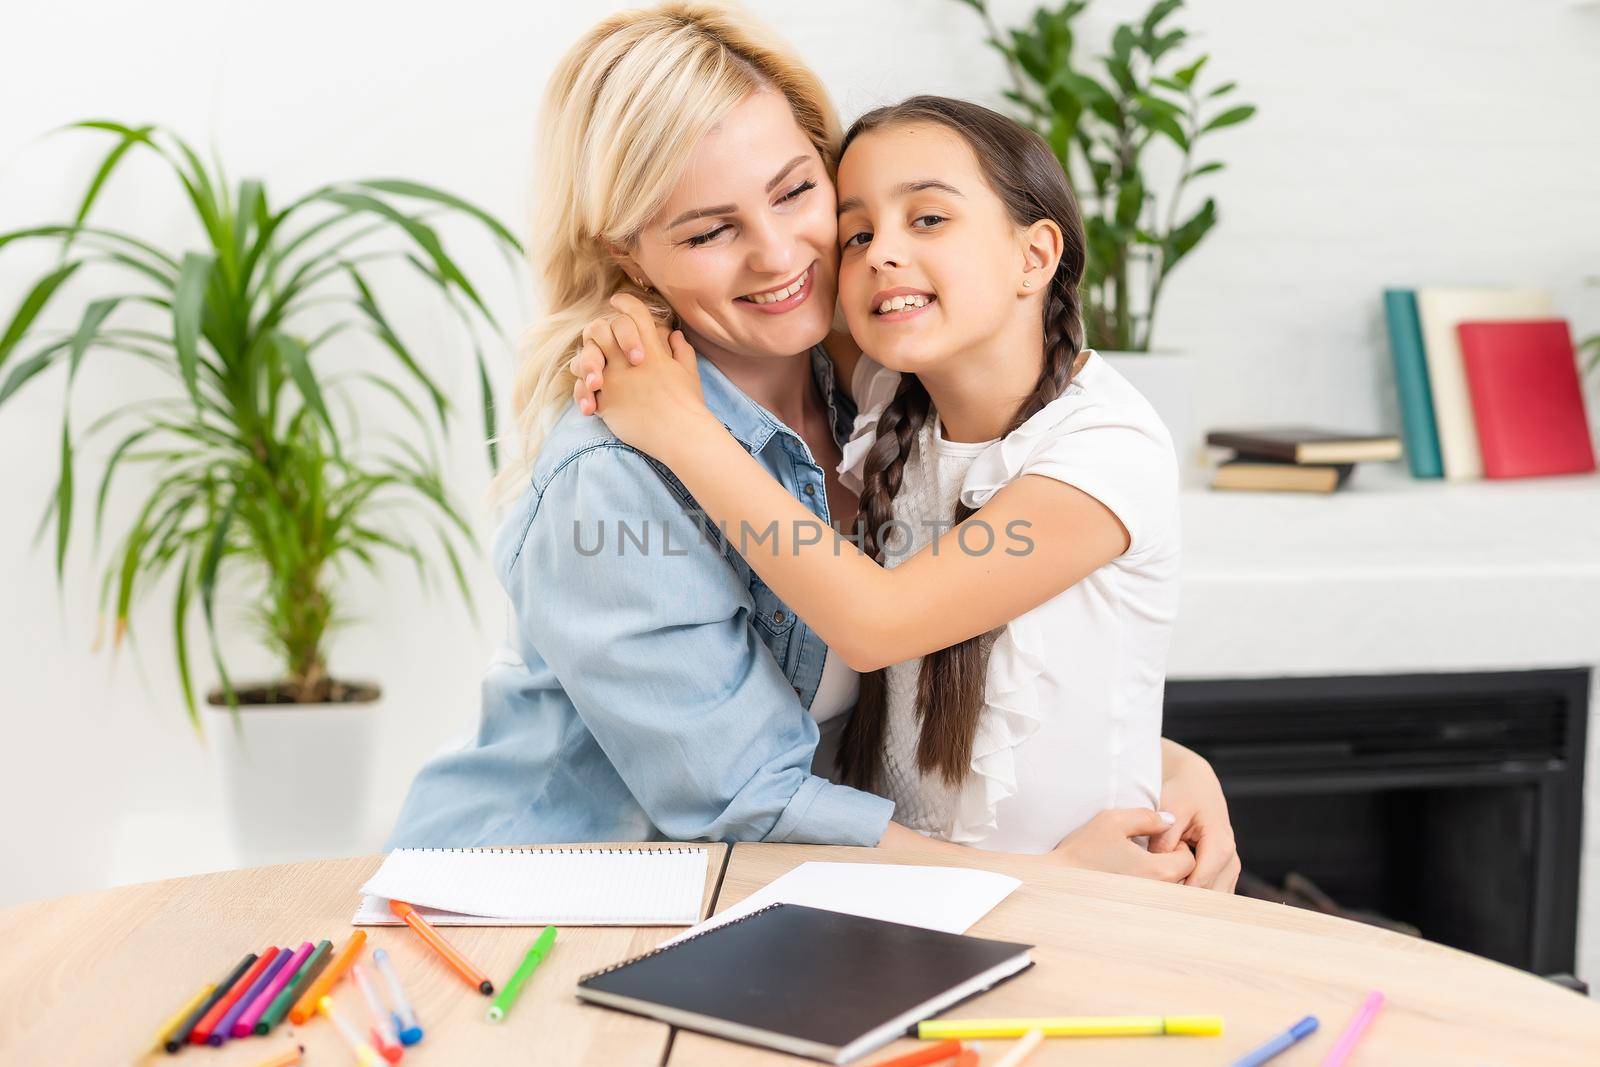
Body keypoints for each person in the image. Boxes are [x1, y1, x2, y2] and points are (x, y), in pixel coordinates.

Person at [389, 2, 1239, 890]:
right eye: (709, 231)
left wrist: (1162, 762)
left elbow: (938, 654)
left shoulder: (876, 390)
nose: (776, 256)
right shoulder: (613, 472)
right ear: (630, 255)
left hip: (765, 909)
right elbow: (752, 799)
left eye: (796, 192)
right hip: (532, 903)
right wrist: (1047, 882)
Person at [583, 93, 1179, 861]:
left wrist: (678, 429)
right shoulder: (890, 394)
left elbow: (876, 623)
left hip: (1087, 895)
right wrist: (628, 321)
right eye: (857, 232)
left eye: (928, 218)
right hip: (918, 890)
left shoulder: (1105, 447)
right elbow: (756, 307)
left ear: (1034, 255)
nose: (880, 254)